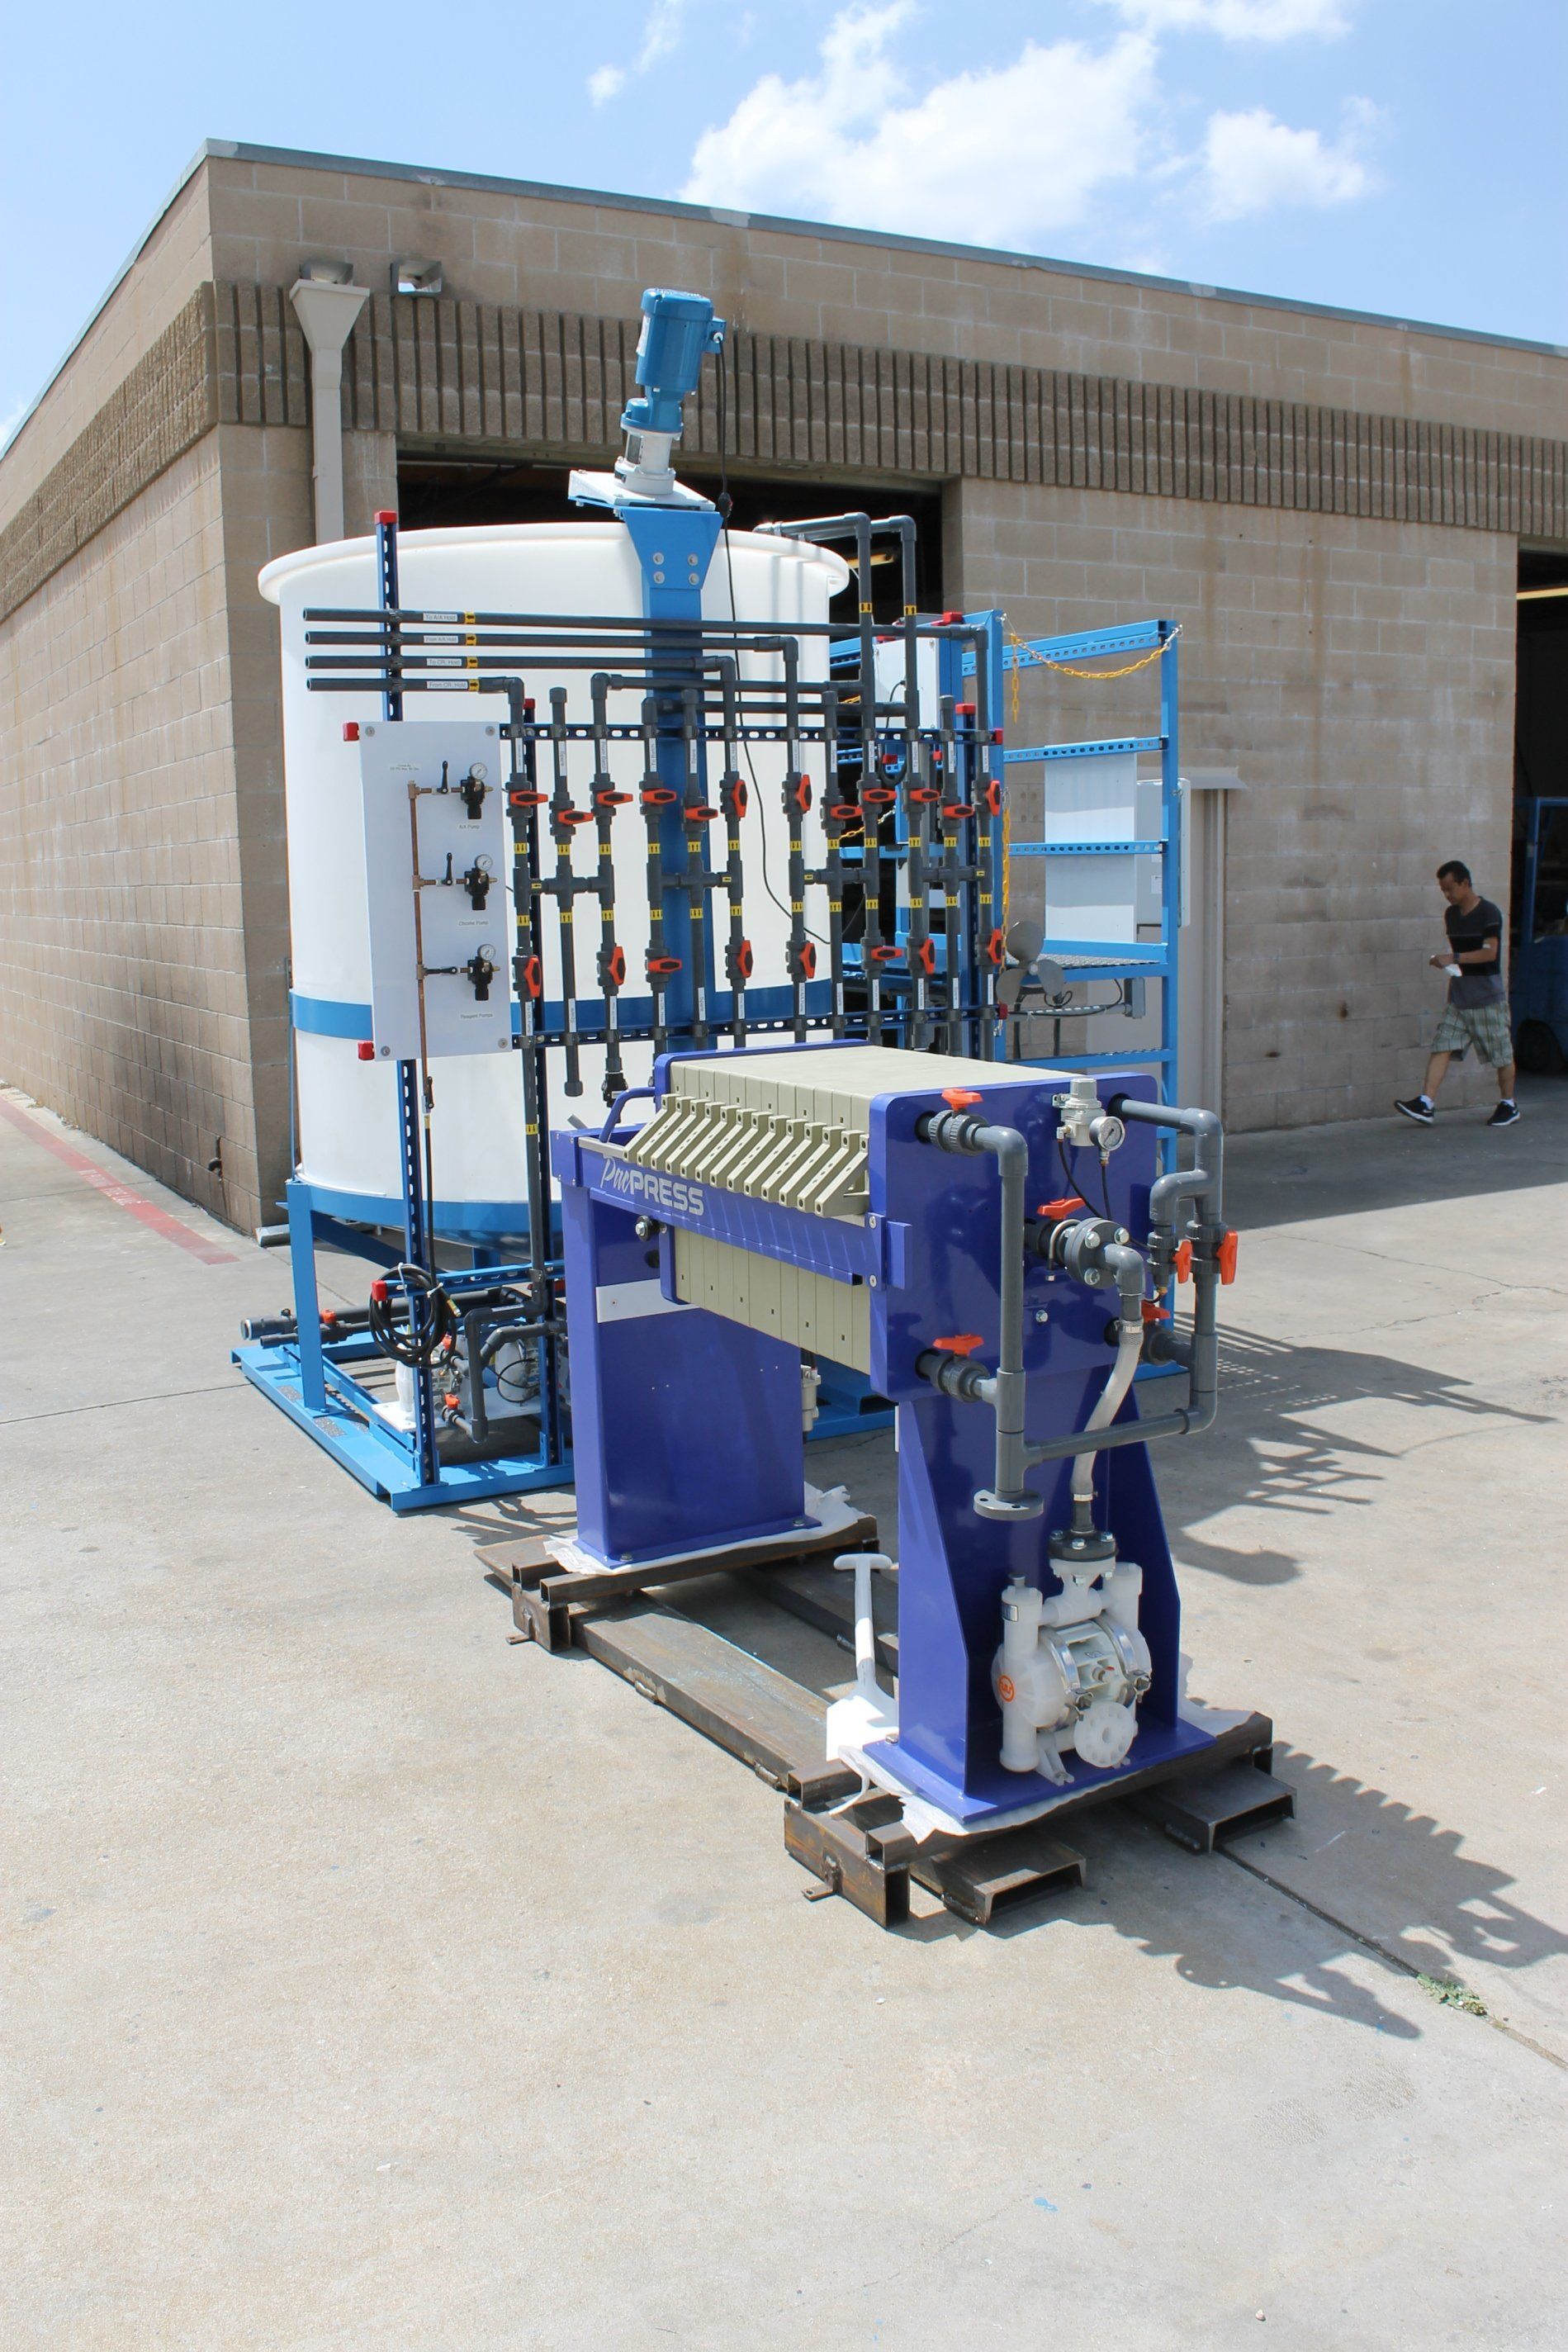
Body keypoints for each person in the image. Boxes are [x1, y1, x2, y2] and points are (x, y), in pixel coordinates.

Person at [1395, 861, 1518, 1126]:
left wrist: (1453, 957)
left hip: (1487, 998)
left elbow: (1489, 953)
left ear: (1465, 883)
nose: (1447, 895)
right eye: (1443, 890)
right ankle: (1426, 1102)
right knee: (1442, 1045)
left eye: (1450, 889)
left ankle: (1508, 1104)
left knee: (1502, 1054)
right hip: (1459, 997)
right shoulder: (1451, 915)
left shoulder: (1489, 913)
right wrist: (1448, 963)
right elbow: (1461, 957)